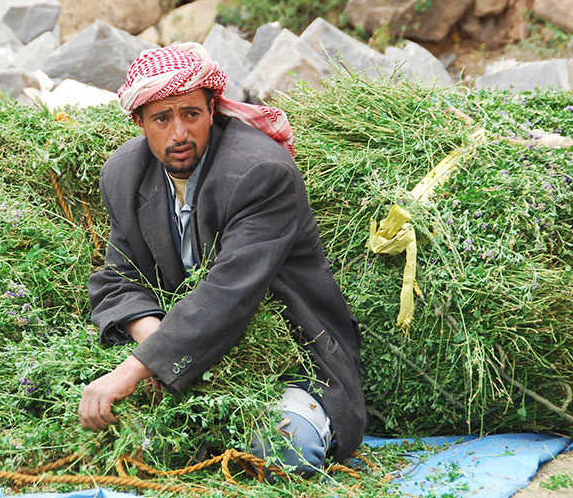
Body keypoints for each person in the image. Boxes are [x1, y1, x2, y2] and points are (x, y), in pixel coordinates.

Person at [78, 43, 366, 476]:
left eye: (191, 114)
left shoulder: (260, 173)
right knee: (96, 424)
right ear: (139, 123)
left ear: (212, 111)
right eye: (162, 118)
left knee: (284, 448)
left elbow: (229, 293)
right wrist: (154, 341)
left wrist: (135, 370)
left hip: (289, 355)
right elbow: (118, 278)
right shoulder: (123, 174)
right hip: (182, 349)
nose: (179, 133)